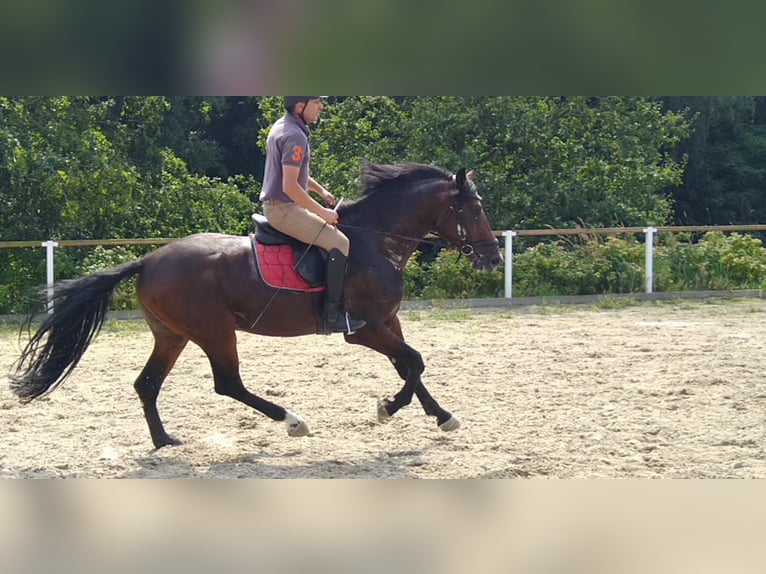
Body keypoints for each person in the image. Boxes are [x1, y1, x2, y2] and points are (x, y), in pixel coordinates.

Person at [259, 96, 366, 334]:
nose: (322, 107)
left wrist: (320, 191)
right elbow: (289, 186)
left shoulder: (284, 126)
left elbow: (296, 174)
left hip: (282, 205)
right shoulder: (295, 136)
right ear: (300, 106)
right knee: (340, 242)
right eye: (317, 102)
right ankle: (332, 315)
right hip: (283, 210)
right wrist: (322, 212)